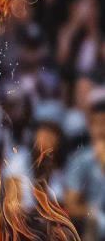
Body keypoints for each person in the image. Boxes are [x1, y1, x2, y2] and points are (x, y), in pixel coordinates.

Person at [65, 100, 105, 240]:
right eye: (96, 124)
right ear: (89, 126)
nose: (101, 129)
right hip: (93, 224)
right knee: (92, 223)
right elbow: (71, 205)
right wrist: (92, 211)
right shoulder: (81, 159)